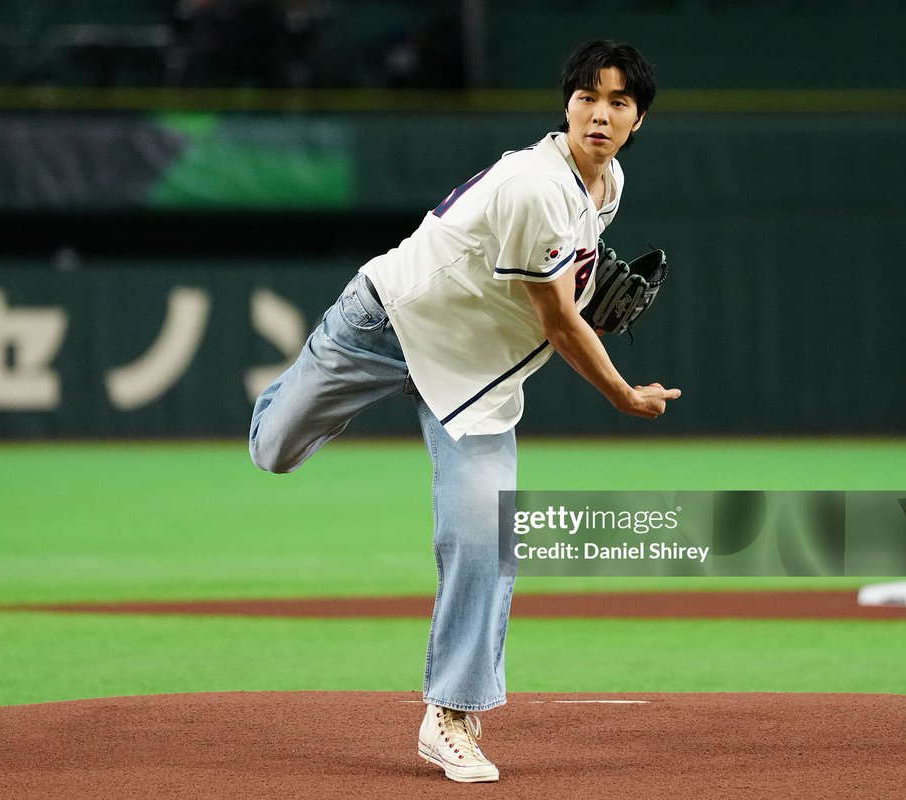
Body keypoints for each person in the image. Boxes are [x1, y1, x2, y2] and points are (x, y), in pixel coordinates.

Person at [249, 40, 679, 783]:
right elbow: (558, 321)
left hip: (474, 376)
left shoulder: (606, 184)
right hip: (389, 323)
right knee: (273, 449)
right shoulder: (535, 185)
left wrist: (579, 293)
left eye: (618, 102)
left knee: (485, 533)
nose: (599, 114)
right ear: (566, 104)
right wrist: (622, 391)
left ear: (638, 118)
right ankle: (303, 382)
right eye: (586, 96)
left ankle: (450, 714)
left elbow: (556, 297)